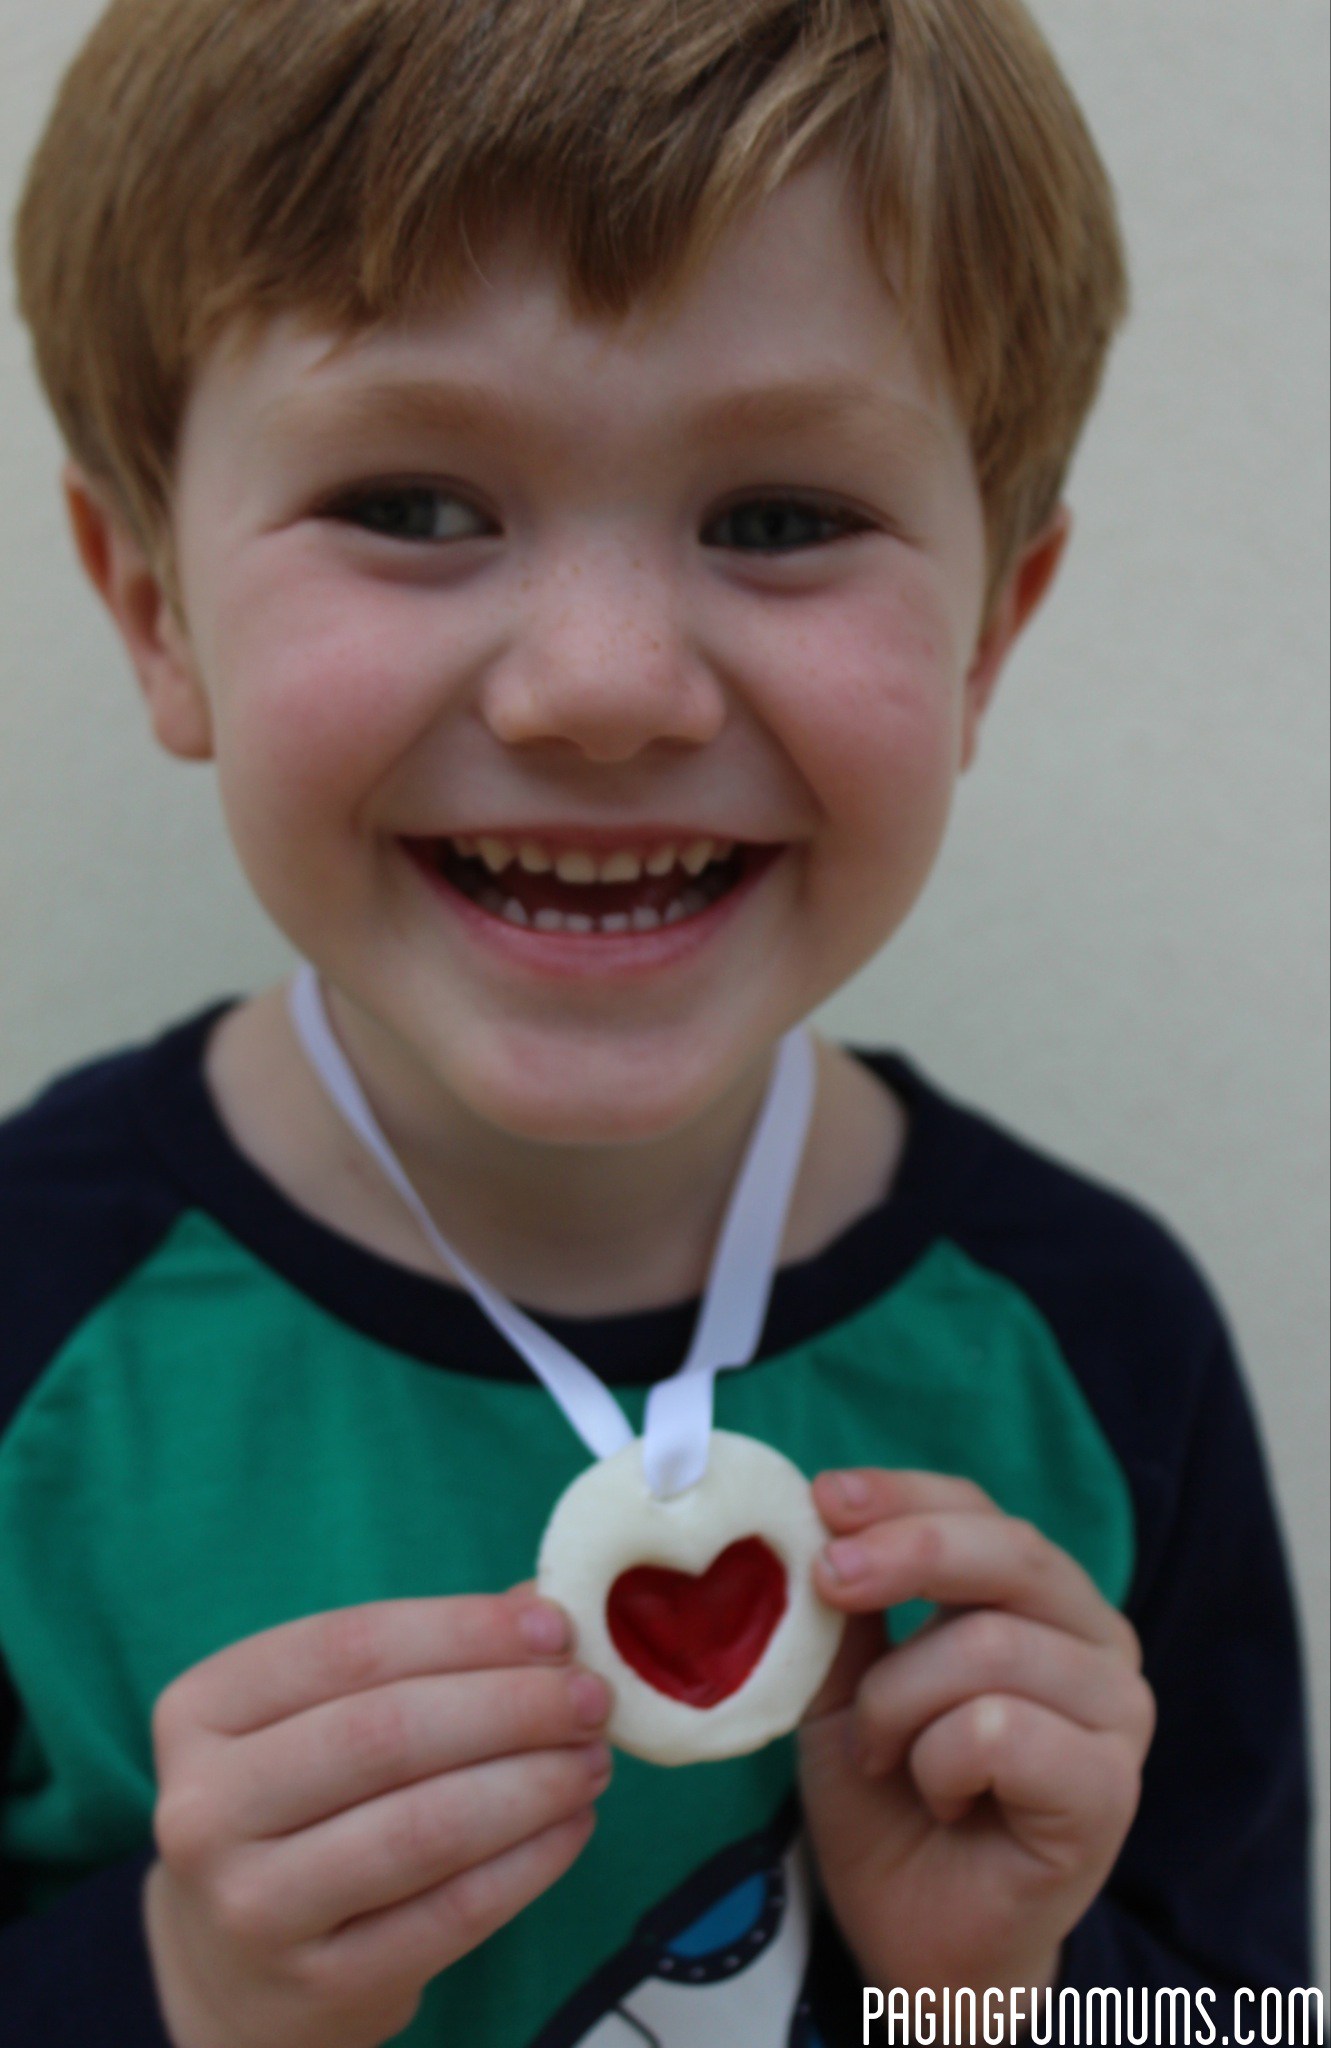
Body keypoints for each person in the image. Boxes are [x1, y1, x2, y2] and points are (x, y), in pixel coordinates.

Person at [0, 0, 1312, 2043]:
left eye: (779, 518)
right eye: (417, 504)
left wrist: (992, 1993)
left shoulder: (1101, 1343)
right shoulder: (26, 1314)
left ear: (992, 631)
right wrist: (174, 1990)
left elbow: (1253, 2016)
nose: (600, 687)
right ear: (157, 605)